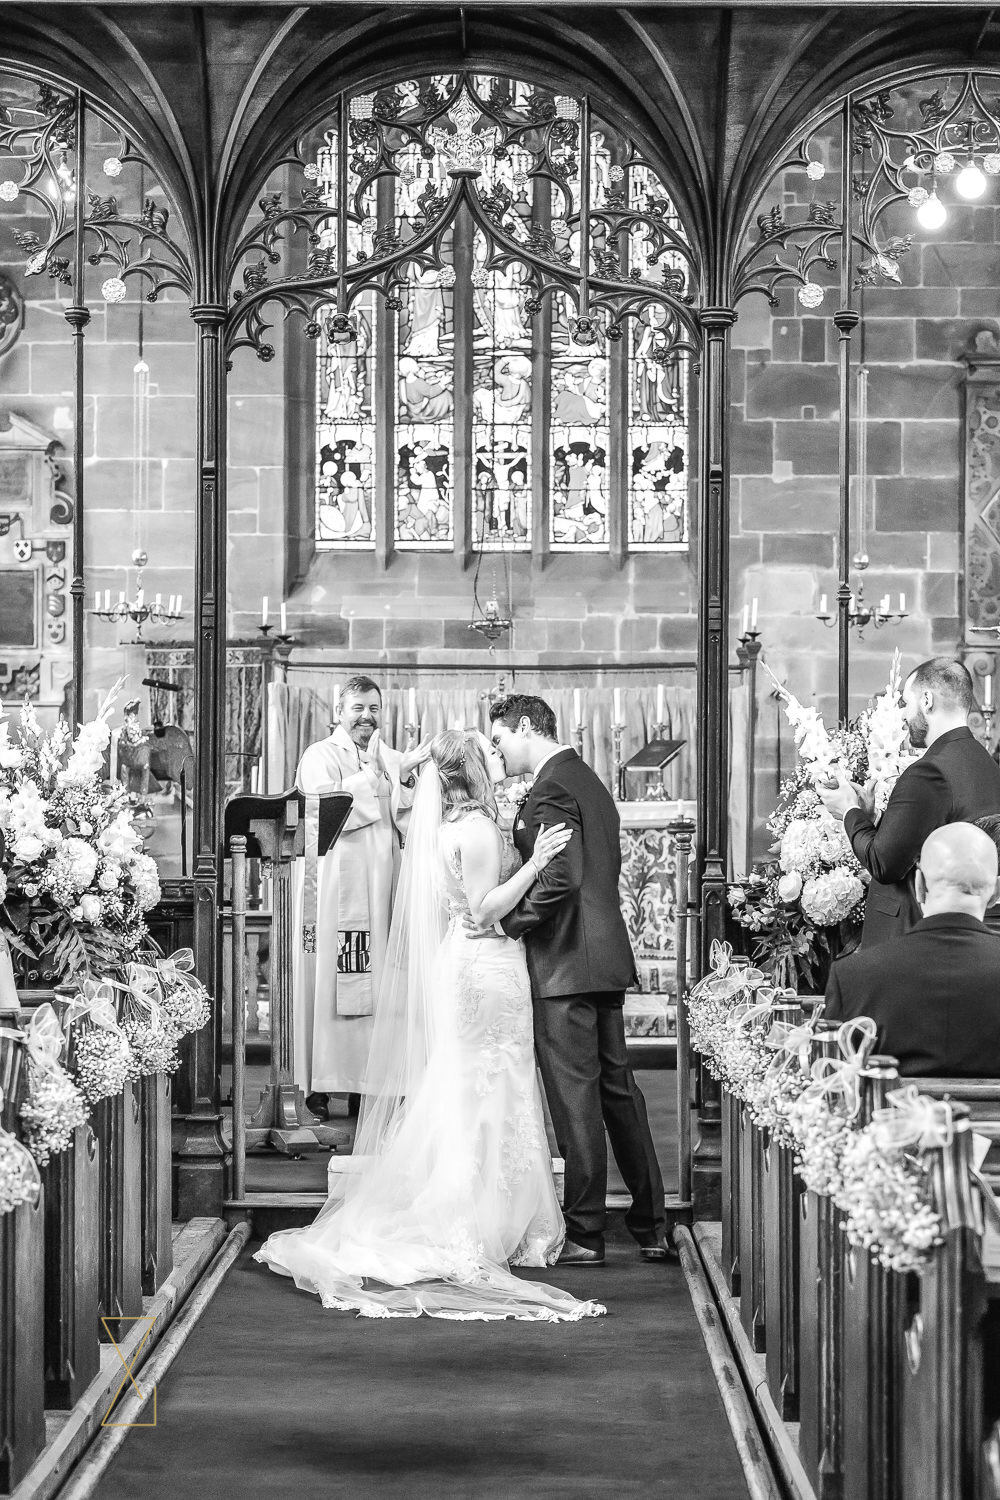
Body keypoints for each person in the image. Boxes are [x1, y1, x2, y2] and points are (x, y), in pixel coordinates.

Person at [256, 731, 606, 1323]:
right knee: (491, 1086)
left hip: (469, 966)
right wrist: (539, 863)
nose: (498, 761)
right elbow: (483, 908)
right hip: (486, 969)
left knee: (477, 1085)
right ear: (474, 770)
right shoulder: (476, 830)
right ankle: (485, 1218)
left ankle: (497, 1212)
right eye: (490, 756)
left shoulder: (452, 829)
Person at [486, 694, 673, 1267]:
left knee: (576, 1098)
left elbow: (562, 874)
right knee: (618, 1092)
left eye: (500, 739)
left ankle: (587, 1231)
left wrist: (509, 921)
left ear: (525, 728)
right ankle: (651, 1224)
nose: (499, 749)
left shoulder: (551, 788)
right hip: (601, 956)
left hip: (567, 962)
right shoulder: (586, 778)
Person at [292, 676, 424, 1118]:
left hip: (381, 885)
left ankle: (366, 1080)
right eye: (358, 708)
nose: (367, 717)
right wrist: (376, 777)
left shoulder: (389, 757)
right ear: (338, 711)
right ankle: (322, 1082)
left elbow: (406, 816)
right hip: (333, 891)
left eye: (374, 708)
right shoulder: (319, 756)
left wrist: (405, 780)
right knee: (331, 979)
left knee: (379, 982)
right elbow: (327, 814)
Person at [819, 657, 1000, 948]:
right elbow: (928, 835)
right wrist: (873, 817)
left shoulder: (930, 770)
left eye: (906, 702)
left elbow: (884, 864)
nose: (902, 715)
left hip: (913, 939)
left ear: (927, 700)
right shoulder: (986, 764)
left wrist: (848, 811)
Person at [824, 823, 1000, 1076]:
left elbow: (834, 1085)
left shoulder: (853, 976)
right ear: (995, 892)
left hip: (888, 1115)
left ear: (919, 885)